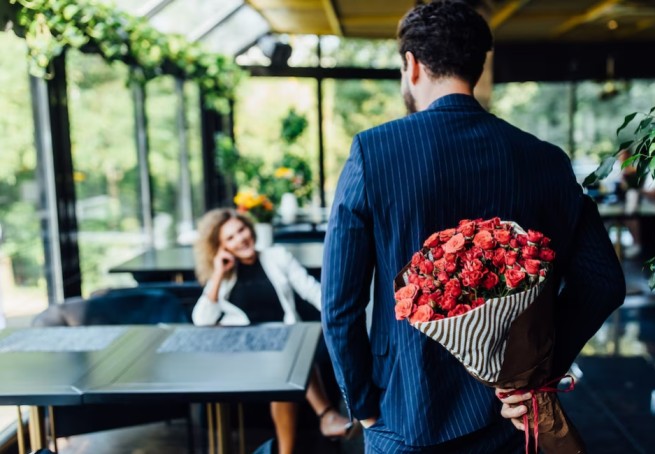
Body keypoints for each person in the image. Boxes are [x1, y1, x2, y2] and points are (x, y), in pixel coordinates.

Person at [321, 1, 625, 452]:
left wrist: (363, 406)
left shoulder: (373, 152)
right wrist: (534, 372)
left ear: (411, 65)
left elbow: (340, 305)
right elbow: (602, 282)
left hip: (403, 413)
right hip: (510, 417)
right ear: (478, 66)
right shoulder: (544, 160)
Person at [192, 208, 356, 454]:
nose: (241, 239)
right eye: (230, 238)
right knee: (289, 358)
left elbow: (312, 291)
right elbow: (201, 320)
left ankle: (295, 443)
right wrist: (217, 273)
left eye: (241, 230)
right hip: (244, 353)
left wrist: (339, 316)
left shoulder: (277, 256)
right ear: (220, 247)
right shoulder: (224, 276)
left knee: (290, 356)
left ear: (250, 228)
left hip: (284, 344)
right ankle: (326, 415)